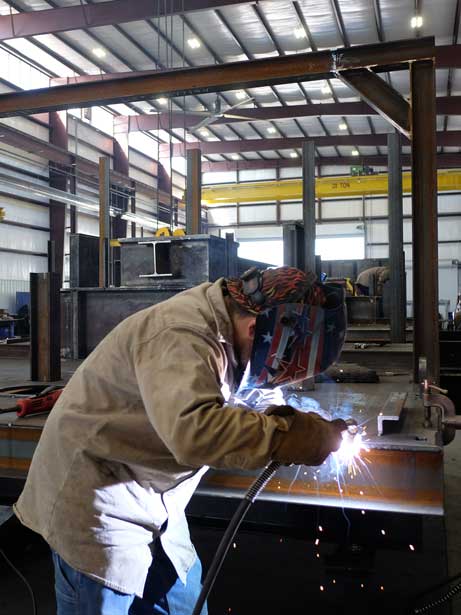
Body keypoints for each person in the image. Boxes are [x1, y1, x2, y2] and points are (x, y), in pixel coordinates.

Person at [13, 266, 347, 615]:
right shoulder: (182, 333)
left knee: (185, 604)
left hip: (155, 499)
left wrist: (292, 420)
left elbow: (244, 394)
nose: (274, 379)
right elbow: (196, 433)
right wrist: (287, 436)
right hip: (97, 501)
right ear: (256, 329)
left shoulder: (229, 327)